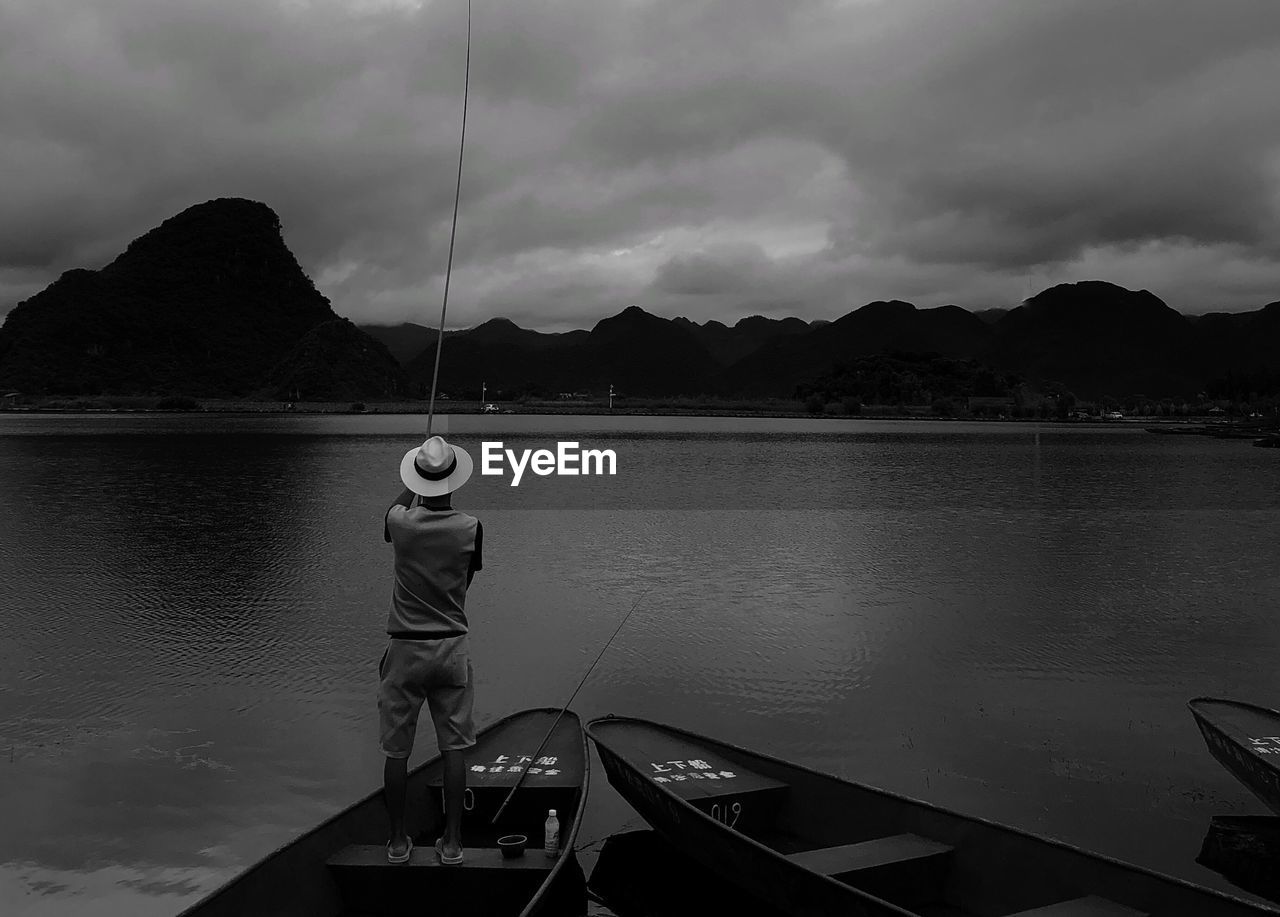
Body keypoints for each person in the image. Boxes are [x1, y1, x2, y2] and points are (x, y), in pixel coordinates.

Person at [379, 434, 482, 864]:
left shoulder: (401, 523)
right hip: (450, 648)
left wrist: (415, 482)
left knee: (396, 751)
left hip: (404, 650)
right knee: (453, 748)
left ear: (420, 478)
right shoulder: (472, 527)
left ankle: (400, 843)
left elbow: (391, 513)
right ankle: (453, 843)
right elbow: (466, 581)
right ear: (454, 480)